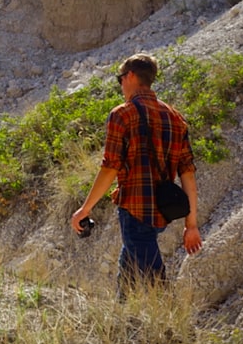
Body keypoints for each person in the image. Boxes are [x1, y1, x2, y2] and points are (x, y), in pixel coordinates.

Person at [71, 53, 202, 294]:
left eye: (120, 78)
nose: (120, 85)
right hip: (162, 211)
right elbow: (188, 174)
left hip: (135, 208)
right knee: (130, 263)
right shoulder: (176, 118)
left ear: (130, 76)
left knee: (154, 278)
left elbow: (110, 167)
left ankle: (172, 324)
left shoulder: (122, 114)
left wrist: (85, 208)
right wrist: (191, 224)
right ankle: (122, 315)